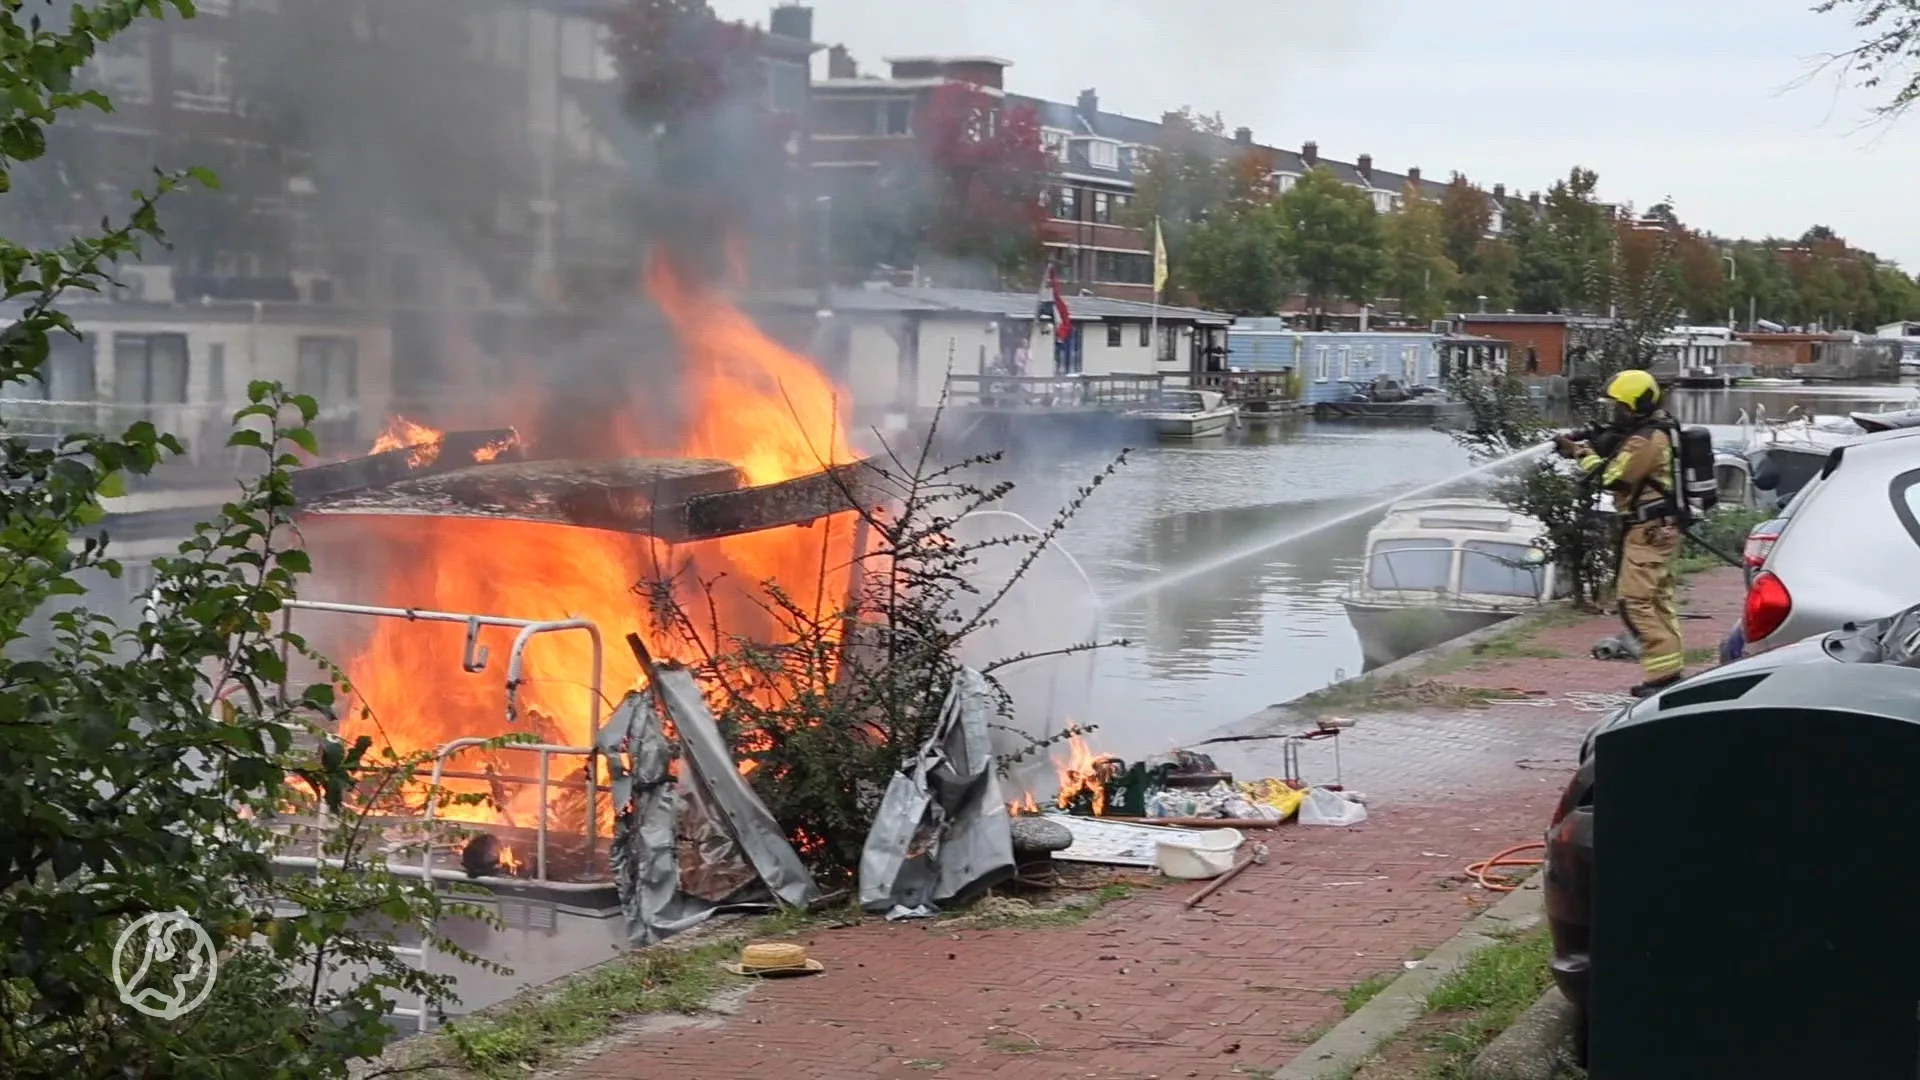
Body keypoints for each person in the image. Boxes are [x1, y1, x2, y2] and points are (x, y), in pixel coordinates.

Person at [1555, 369, 1686, 697]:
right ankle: (1667, 672)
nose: (1616, 413)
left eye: (1620, 407)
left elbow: (1612, 476)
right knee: (1657, 601)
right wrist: (1597, 439)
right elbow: (1618, 450)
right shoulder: (1654, 429)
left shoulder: (1647, 439)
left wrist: (1579, 452)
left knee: (1636, 602)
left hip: (1649, 530)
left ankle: (1664, 680)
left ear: (1636, 406)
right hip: (1656, 527)